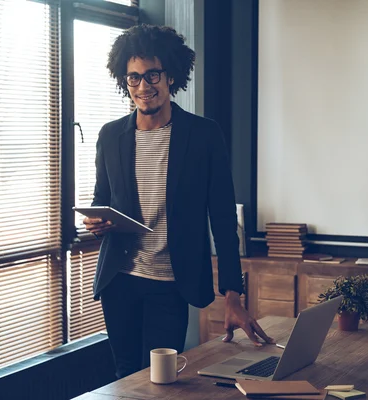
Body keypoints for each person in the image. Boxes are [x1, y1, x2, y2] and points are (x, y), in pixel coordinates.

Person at [84, 24, 274, 379]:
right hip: (120, 280)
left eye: (152, 75)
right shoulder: (110, 136)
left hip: (170, 284)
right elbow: (102, 199)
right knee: (126, 374)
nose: (143, 87)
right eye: (134, 78)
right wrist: (98, 224)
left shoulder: (203, 135)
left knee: (160, 378)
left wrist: (233, 294)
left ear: (171, 75)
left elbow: (221, 218)